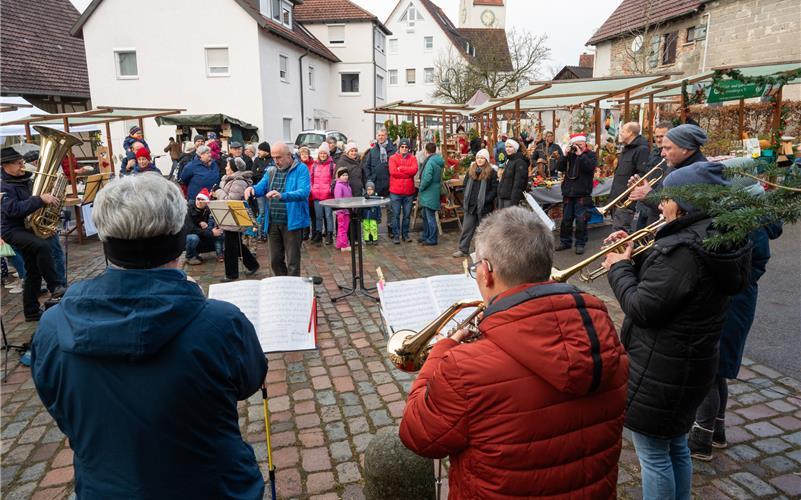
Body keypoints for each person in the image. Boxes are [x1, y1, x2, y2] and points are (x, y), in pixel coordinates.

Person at [30, 173, 267, 499]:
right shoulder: (221, 323)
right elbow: (249, 380)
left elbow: (62, 411)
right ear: (179, 240)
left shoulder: (53, 326)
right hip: (214, 488)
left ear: (106, 239)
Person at [401, 206, 629, 499]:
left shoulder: (462, 367)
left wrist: (442, 351)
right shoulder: (604, 335)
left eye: (476, 269)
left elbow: (417, 433)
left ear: (486, 271)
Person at [602, 162, 751, 500]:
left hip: (663, 367)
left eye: (666, 198)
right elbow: (671, 288)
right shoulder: (712, 238)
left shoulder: (684, 251)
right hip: (691, 362)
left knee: (653, 456)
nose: (659, 205)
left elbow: (642, 306)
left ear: (685, 203)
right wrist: (634, 257)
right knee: (676, 447)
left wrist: (618, 269)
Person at [0, 147, 66, 321]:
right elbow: (13, 210)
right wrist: (39, 199)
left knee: (33, 271)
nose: (22, 165)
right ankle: (55, 286)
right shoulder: (3, 186)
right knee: (42, 246)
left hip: (28, 228)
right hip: (12, 230)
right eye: (18, 163)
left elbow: (35, 205)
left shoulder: (26, 180)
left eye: (22, 162)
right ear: (5, 165)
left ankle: (31, 311)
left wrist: (50, 203)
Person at [244, 142, 310, 277]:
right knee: (275, 260)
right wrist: (252, 189)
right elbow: (261, 187)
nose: (276, 161)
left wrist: (283, 196)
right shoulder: (271, 170)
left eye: (279, 157)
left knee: (293, 261)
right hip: (273, 221)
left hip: (292, 222)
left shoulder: (301, 169)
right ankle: (283, 286)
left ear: (289, 155)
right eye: (273, 157)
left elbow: (304, 192)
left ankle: (293, 290)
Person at [627, 124, 709, 223]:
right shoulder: (677, 165)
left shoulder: (697, 174)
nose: (662, 154)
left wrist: (648, 195)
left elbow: (677, 211)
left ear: (685, 149)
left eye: (668, 148)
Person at [214, 158, 260, 282]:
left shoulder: (239, 181)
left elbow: (230, 200)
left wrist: (218, 192)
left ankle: (231, 274)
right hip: (229, 218)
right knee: (236, 243)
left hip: (235, 218)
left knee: (230, 247)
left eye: (228, 166)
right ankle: (252, 265)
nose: (225, 168)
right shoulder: (229, 179)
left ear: (234, 168)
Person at [555, 133, 597, 255]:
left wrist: (581, 155)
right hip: (569, 192)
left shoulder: (590, 155)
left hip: (582, 194)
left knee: (580, 221)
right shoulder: (570, 155)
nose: (577, 147)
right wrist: (564, 155)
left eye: (580, 144)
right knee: (566, 220)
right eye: (575, 145)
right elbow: (559, 167)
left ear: (585, 144)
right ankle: (565, 242)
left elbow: (590, 167)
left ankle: (580, 244)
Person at [452, 149, 498, 258]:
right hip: (470, 205)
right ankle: (463, 249)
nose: (480, 160)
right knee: (467, 228)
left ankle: (481, 251)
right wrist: (466, 197)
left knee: (482, 230)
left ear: (486, 160)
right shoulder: (471, 171)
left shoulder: (491, 172)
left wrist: (487, 199)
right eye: (478, 158)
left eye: (482, 158)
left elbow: (495, 189)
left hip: (484, 207)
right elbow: (465, 185)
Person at [610, 122, 650, 233]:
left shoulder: (642, 150)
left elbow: (642, 175)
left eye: (622, 131)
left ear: (630, 133)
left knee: (620, 234)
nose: (620, 134)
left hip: (627, 203)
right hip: (619, 200)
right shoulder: (628, 148)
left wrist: (629, 200)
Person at [635, 122, 673, 229]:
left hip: (657, 204)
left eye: (662, 136)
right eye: (656, 136)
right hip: (645, 203)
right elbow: (648, 174)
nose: (659, 139)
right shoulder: (654, 152)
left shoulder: (672, 156)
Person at [364, 128, 396, 235]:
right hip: (376, 184)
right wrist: (370, 179)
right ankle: (373, 233)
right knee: (374, 209)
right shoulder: (372, 151)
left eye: (383, 135)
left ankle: (391, 229)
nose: (380, 137)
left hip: (389, 184)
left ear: (386, 136)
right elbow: (366, 166)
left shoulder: (393, 150)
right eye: (379, 135)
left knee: (390, 209)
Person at [388, 139, 419, 244]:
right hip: (395, 191)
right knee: (395, 214)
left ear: (408, 148)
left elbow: (414, 170)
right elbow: (393, 172)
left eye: (406, 147)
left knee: (406, 215)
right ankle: (396, 235)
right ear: (399, 147)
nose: (404, 149)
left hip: (409, 192)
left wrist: (401, 168)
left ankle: (405, 235)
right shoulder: (392, 158)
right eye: (402, 147)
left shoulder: (413, 158)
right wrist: (407, 171)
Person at [184, 188, 224, 265]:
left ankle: (220, 253)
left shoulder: (208, 210)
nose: (199, 201)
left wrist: (215, 229)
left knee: (220, 233)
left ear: (206, 203)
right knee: (193, 238)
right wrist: (211, 233)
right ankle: (190, 256)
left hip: (202, 234)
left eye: (202, 200)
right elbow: (190, 229)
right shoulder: (188, 209)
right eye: (198, 199)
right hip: (188, 235)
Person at [417, 143, 443, 246]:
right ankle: (426, 235)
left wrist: (421, 187)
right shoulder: (437, 160)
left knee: (429, 217)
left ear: (425, 151)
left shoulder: (430, 162)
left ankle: (432, 239)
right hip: (434, 191)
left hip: (429, 192)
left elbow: (427, 178)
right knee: (426, 215)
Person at [309, 143, 335, 245]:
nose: (323, 155)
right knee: (318, 216)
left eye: (325, 153)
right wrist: (312, 189)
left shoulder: (332, 165)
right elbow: (310, 179)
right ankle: (318, 234)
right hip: (316, 195)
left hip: (327, 196)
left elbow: (334, 180)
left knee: (328, 216)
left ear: (328, 154)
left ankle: (329, 234)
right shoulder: (314, 165)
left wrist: (330, 189)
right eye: (321, 153)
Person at [497, 139, 528, 209]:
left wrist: (513, 204)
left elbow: (518, 185)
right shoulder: (510, 160)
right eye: (506, 147)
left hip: (510, 200)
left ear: (515, 148)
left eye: (510, 147)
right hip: (502, 197)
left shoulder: (520, 162)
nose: (508, 149)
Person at [333, 167, 352, 252]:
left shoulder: (347, 185)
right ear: (339, 176)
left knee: (344, 228)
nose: (345, 176)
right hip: (342, 211)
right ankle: (343, 245)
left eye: (346, 175)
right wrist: (341, 209)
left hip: (347, 210)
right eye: (343, 175)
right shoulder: (339, 186)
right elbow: (338, 199)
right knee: (342, 228)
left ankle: (340, 243)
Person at [362, 181, 381, 245]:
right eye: (368, 190)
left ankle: (374, 239)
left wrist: (378, 217)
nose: (369, 191)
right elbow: (362, 208)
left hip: (373, 216)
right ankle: (367, 239)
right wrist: (362, 216)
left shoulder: (376, 198)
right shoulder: (364, 198)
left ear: (373, 190)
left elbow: (378, 208)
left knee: (373, 227)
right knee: (366, 228)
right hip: (365, 217)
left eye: (371, 189)